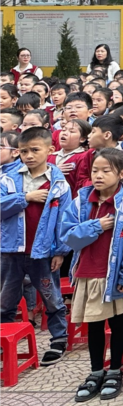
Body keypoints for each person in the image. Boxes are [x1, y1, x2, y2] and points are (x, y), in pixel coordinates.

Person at [62, 147, 123, 402]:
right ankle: (96, 371)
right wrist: (95, 226)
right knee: (95, 324)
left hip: (113, 275)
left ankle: (115, 371)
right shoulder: (81, 201)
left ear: (122, 173)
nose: (98, 176)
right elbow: (68, 237)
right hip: (88, 273)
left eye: (105, 171)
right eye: (94, 171)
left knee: (118, 322)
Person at [0, 127, 71, 364]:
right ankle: (3, 340)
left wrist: (60, 251)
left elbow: (64, 220)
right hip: (10, 251)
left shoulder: (59, 183)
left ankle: (58, 340)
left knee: (52, 297)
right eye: (23, 151)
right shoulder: (8, 178)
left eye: (35, 150)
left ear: (50, 150)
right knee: (5, 299)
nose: (29, 155)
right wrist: (25, 198)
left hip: (43, 252)